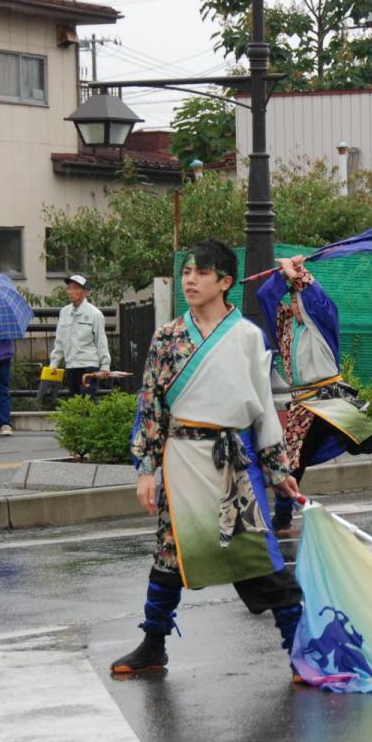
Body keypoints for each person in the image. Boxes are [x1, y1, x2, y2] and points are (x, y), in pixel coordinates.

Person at [111, 240, 304, 677]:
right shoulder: (167, 337)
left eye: (200, 273)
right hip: (180, 459)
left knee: (257, 553)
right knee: (169, 552)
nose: (190, 280)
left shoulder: (248, 337)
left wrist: (278, 471)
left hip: (230, 463)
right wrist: (146, 469)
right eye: (186, 273)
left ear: (225, 282)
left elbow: (262, 410)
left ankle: (299, 651)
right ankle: (153, 644)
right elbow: (151, 405)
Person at [259, 255, 372, 529]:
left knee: (368, 435)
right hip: (303, 402)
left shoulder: (322, 324)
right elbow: (266, 297)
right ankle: (283, 516)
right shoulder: (287, 327)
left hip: (329, 395)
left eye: (300, 299)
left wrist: (297, 271)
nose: (297, 305)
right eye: (294, 300)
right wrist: (283, 275)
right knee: (289, 462)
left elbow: (316, 299)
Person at [48, 274, 110, 396]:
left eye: (76, 288)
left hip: (89, 364)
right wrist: (53, 364)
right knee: (74, 402)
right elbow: (59, 341)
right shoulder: (64, 312)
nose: (71, 292)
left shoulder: (95, 314)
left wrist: (105, 365)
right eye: (69, 288)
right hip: (71, 364)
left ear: (85, 292)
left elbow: (101, 341)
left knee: (87, 401)